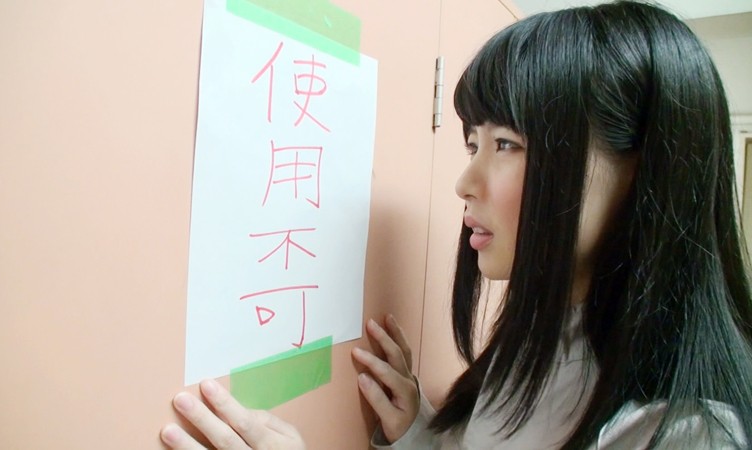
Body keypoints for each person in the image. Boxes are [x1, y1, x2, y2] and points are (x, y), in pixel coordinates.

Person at [160, 1, 752, 448]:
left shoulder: (689, 431)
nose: (465, 182)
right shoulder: (536, 340)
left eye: (506, 143)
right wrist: (421, 430)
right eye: (473, 144)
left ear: (641, 169)